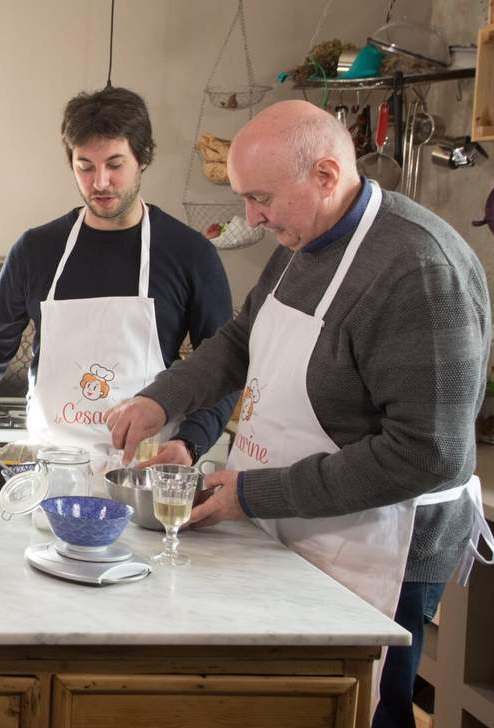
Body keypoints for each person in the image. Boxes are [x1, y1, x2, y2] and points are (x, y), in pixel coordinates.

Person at [105, 100, 494, 727]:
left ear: (324, 175)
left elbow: (429, 455)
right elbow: (242, 339)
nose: (251, 218)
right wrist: (161, 398)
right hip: (290, 521)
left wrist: (254, 492)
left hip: (377, 547)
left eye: (260, 199)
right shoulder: (303, 236)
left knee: (362, 711)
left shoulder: (419, 270)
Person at [0, 86, 237, 472]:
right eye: (85, 166)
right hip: (49, 471)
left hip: (142, 473)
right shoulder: (36, 250)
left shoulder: (190, 254)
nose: (100, 182)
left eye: (115, 164)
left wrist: (190, 442)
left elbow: (223, 369)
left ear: (143, 159)